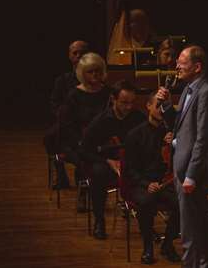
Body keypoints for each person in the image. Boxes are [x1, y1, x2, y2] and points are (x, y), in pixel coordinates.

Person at [153, 45, 208, 268]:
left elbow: (203, 139)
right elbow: (178, 127)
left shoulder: (207, 93)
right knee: (201, 227)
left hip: (194, 172)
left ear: (197, 66)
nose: (177, 66)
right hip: (184, 168)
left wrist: (192, 175)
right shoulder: (188, 90)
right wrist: (166, 106)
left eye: (182, 62)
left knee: (190, 230)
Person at [81, 80, 145, 239]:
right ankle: (99, 221)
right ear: (113, 99)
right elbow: (84, 150)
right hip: (106, 164)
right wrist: (108, 161)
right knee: (97, 173)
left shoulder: (138, 118)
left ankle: (146, 224)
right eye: (124, 103)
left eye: (132, 103)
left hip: (132, 165)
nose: (129, 107)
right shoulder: (100, 121)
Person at [124, 92, 181, 264]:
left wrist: (173, 145)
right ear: (148, 106)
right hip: (141, 183)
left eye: (164, 107)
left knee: (183, 201)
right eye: (157, 106)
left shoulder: (171, 133)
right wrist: (146, 184)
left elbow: (176, 162)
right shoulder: (135, 135)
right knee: (146, 201)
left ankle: (168, 243)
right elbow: (129, 169)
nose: (161, 110)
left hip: (164, 182)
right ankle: (148, 246)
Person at [53, 52, 112, 211]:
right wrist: (81, 141)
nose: (95, 75)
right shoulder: (74, 95)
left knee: (106, 158)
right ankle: (84, 193)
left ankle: (99, 194)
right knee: (86, 158)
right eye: (90, 71)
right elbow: (67, 126)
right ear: (82, 73)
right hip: (76, 141)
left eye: (98, 71)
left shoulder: (107, 93)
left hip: (102, 141)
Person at [46, 40, 90, 189]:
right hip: (66, 123)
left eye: (82, 53)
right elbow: (54, 103)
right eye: (75, 53)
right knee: (50, 137)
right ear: (69, 56)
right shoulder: (62, 80)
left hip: (86, 124)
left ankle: (83, 177)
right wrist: (64, 117)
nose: (78, 56)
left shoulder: (93, 79)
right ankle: (62, 176)